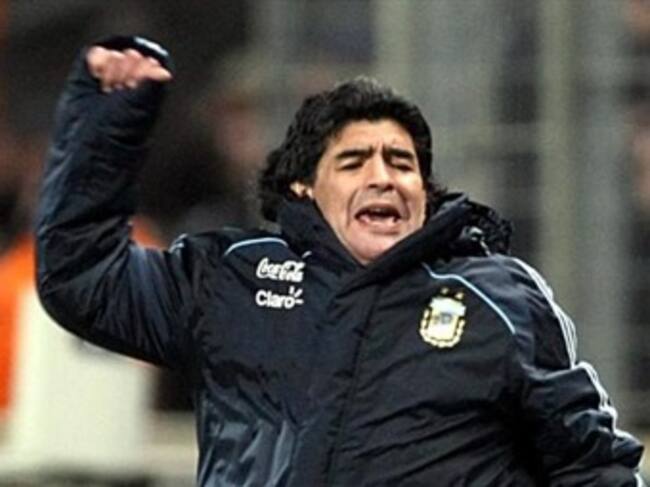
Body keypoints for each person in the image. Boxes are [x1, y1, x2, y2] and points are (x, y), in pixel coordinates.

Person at [35, 36, 646, 487]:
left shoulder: (499, 298)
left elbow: (591, 466)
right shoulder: (230, 277)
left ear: (425, 191)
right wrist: (106, 126)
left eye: (402, 163)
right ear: (304, 187)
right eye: (354, 163)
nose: (383, 177)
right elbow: (83, 278)